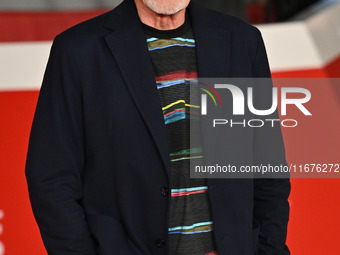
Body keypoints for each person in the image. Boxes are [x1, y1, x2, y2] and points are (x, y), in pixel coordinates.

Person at [25, 0, 290, 254]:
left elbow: (268, 165)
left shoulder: (242, 40)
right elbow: (51, 178)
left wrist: (271, 249)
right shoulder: (78, 51)